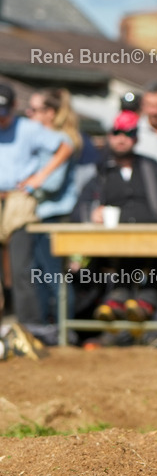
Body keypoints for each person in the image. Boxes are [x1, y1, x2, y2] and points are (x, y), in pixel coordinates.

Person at [75, 111, 157, 344]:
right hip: (113, 246)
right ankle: (117, 302)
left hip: (154, 243)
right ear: (109, 136)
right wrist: (92, 212)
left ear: (136, 138)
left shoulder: (152, 168)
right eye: (117, 133)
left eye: (128, 133)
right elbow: (80, 207)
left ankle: (143, 304)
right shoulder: (100, 171)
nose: (122, 138)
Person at [0, 82, 72, 328]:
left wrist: (39, 177)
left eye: (5, 113)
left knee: (22, 268)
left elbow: (65, 147)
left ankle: (30, 327)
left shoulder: (29, 129)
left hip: (18, 202)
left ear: (14, 107)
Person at [24, 88, 83, 344]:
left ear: (50, 113)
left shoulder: (60, 140)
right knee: (40, 275)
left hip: (55, 218)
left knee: (53, 277)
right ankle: (51, 330)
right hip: (41, 217)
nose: (29, 115)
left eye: (35, 110)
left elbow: (51, 182)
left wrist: (24, 183)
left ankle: (64, 332)